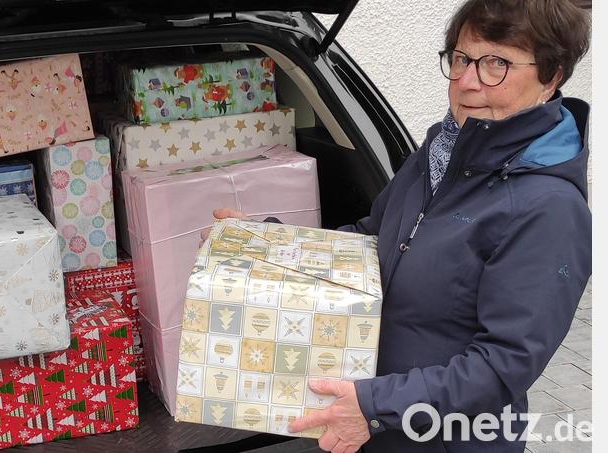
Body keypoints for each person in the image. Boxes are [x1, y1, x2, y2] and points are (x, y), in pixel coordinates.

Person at [206, 0, 591, 451]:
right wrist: (268, 241)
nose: (467, 82)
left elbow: (503, 366)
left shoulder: (549, 207)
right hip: (376, 422)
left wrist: (372, 406)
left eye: (496, 64)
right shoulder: (443, 152)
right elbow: (372, 240)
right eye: (462, 59)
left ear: (552, 77)